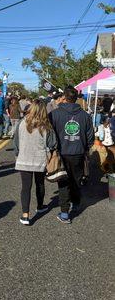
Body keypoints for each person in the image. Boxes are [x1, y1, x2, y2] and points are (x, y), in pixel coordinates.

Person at [49, 86, 94, 224]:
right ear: (76, 98)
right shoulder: (85, 116)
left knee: (63, 182)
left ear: (64, 97)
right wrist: (85, 148)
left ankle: (64, 213)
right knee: (76, 180)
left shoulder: (54, 114)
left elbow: (49, 135)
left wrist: (52, 149)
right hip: (78, 152)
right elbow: (90, 137)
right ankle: (75, 204)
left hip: (61, 153)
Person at [14, 100, 57, 226]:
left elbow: (16, 143)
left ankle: (25, 215)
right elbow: (52, 143)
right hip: (40, 160)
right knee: (40, 184)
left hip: (24, 159)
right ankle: (40, 206)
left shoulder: (22, 123)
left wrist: (18, 154)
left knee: (26, 187)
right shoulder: (46, 125)